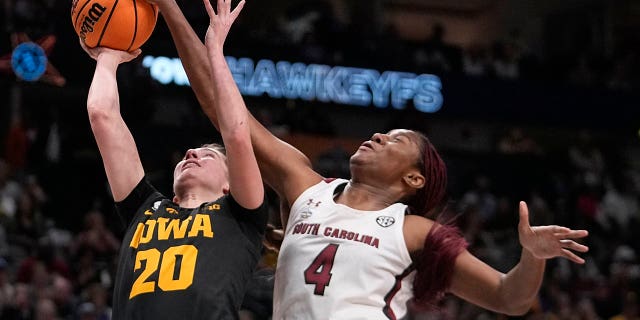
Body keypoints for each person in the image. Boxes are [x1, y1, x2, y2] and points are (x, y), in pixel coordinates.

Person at [153, 1, 589, 319]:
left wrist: (532, 256)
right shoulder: (306, 187)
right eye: (383, 131)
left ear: (415, 178)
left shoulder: (415, 231)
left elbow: (509, 298)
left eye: (396, 139)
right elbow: (223, 110)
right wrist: (171, 9)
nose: (378, 134)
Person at [78, 0, 268, 316]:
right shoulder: (144, 207)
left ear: (228, 184)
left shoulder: (241, 216)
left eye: (208, 155)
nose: (191, 153)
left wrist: (215, 51)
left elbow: (235, 133)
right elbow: (101, 115)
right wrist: (108, 55)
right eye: (190, 154)